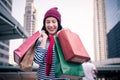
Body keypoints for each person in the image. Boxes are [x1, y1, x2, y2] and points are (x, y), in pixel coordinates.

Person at [33, 7, 63, 80]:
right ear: (44, 24)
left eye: (53, 21)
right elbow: (38, 61)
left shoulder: (63, 40)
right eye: (48, 22)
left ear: (58, 23)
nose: (51, 25)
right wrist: (44, 38)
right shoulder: (40, 40)